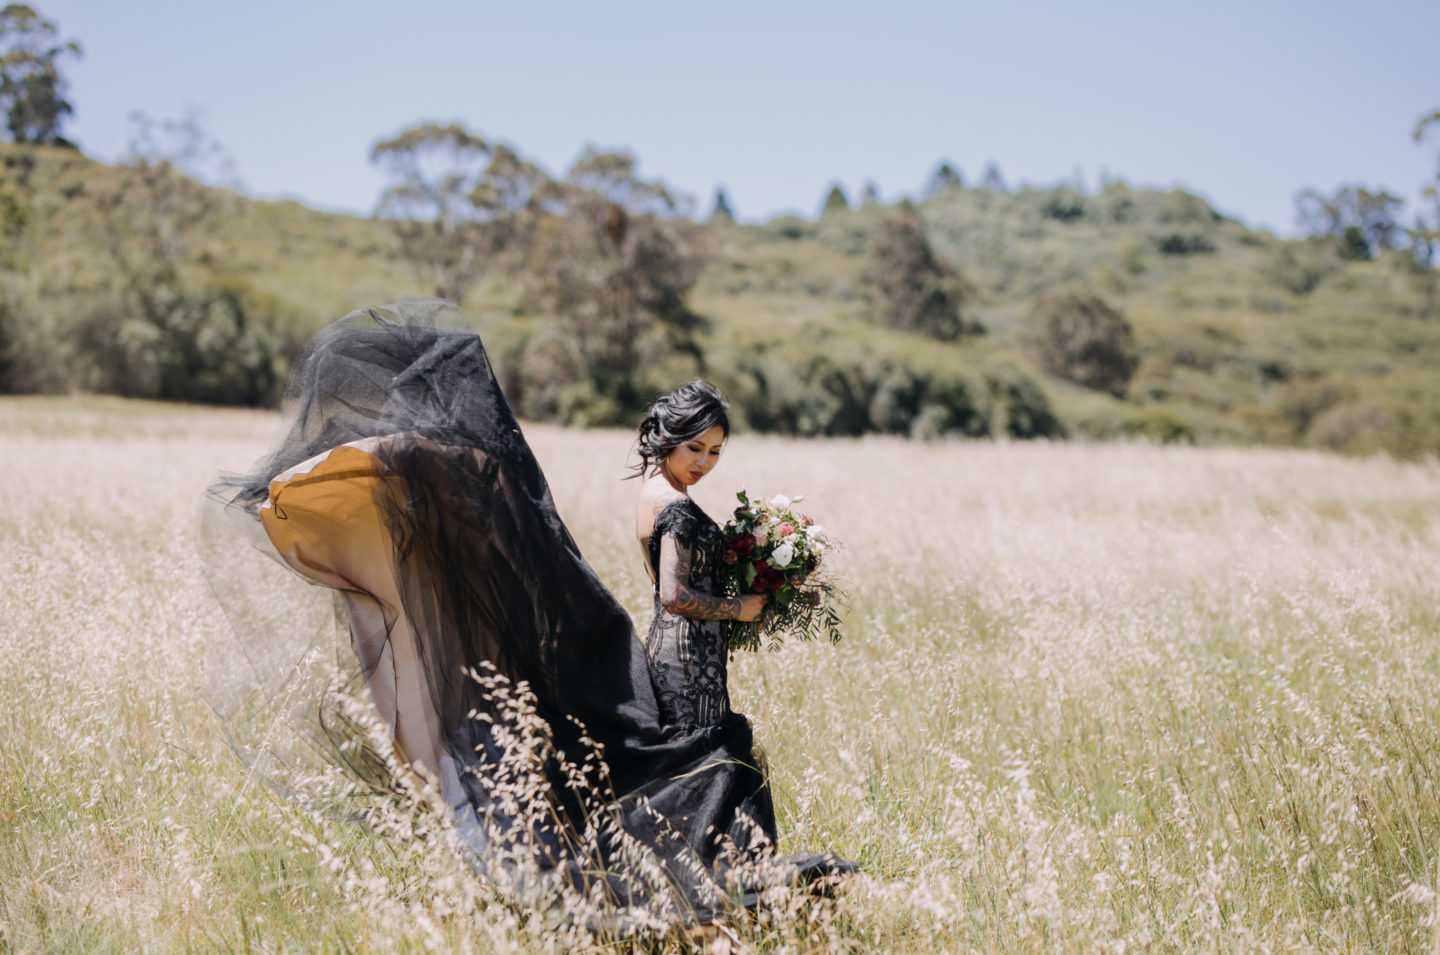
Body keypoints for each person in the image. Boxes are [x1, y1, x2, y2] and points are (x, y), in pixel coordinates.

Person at [202, 301, 850, 934]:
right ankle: (682, 875)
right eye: (698, 447)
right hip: (600, 652)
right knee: (667, 757)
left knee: (655, 758)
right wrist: (742, 603)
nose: (706, 462)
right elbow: (645, 585)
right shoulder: (475, 473)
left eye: (715, 451)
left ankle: (684, 873)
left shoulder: (452, 473)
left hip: (563, 656)